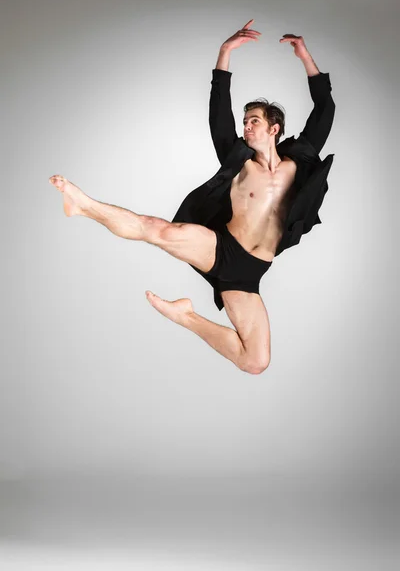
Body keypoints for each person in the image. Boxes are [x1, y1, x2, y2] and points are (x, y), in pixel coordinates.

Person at [49, 21, 335, 375]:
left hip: (249, 275)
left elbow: (325, 109)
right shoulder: (238, 160)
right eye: (245, 121)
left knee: (255, 361)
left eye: (254, 121)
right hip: (221, 247)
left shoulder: (298, 162)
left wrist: (305, 56)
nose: (246, 126)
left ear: (274, 129)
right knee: (158, 231)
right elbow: (218, 115)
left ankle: (185, 316)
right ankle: (83, 204)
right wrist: (225, 53)